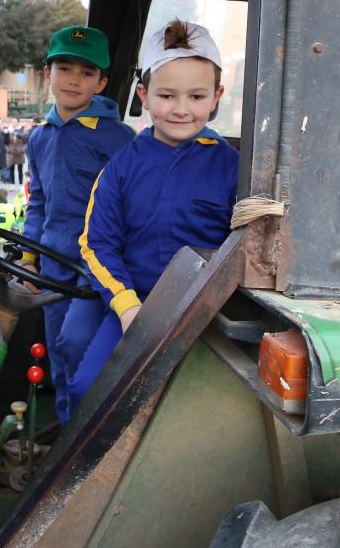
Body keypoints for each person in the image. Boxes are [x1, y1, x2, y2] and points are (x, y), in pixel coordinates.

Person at [66, 20, 237, 416]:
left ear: (216, 97)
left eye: (196, 96)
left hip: (208, 313)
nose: (181, 109)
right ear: (143, 95)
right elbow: (96, 244)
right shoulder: (121, 167)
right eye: (166, 95)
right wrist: (126, 306)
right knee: (87, 391)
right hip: (135, 307)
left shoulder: (233, 168)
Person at [23, 26, 135, 419]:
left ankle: (85, 433)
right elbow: (39, 202)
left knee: (76, 343)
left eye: (87, 73)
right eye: (65, 67)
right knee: (56, 349)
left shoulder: (120, 139)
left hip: (97, 264)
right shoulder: (39, 138)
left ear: (102, 82)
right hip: (53, 259)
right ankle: (63, 432)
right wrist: (27, 257)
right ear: (47, 73)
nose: (74, 79)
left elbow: (129, 205)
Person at [6, 119, 28, 186]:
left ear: (18, 123)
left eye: (15, 122)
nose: (14, 123)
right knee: (11, 170)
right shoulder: (8, 131)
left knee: (20, 170)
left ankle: (20, 184)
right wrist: (8, 149)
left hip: (19, 153)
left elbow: (26, 142)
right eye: (13, 121)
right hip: (11, 153)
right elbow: (5, 142)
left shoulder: (22, 131)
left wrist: (22, 150)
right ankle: (12, 184)